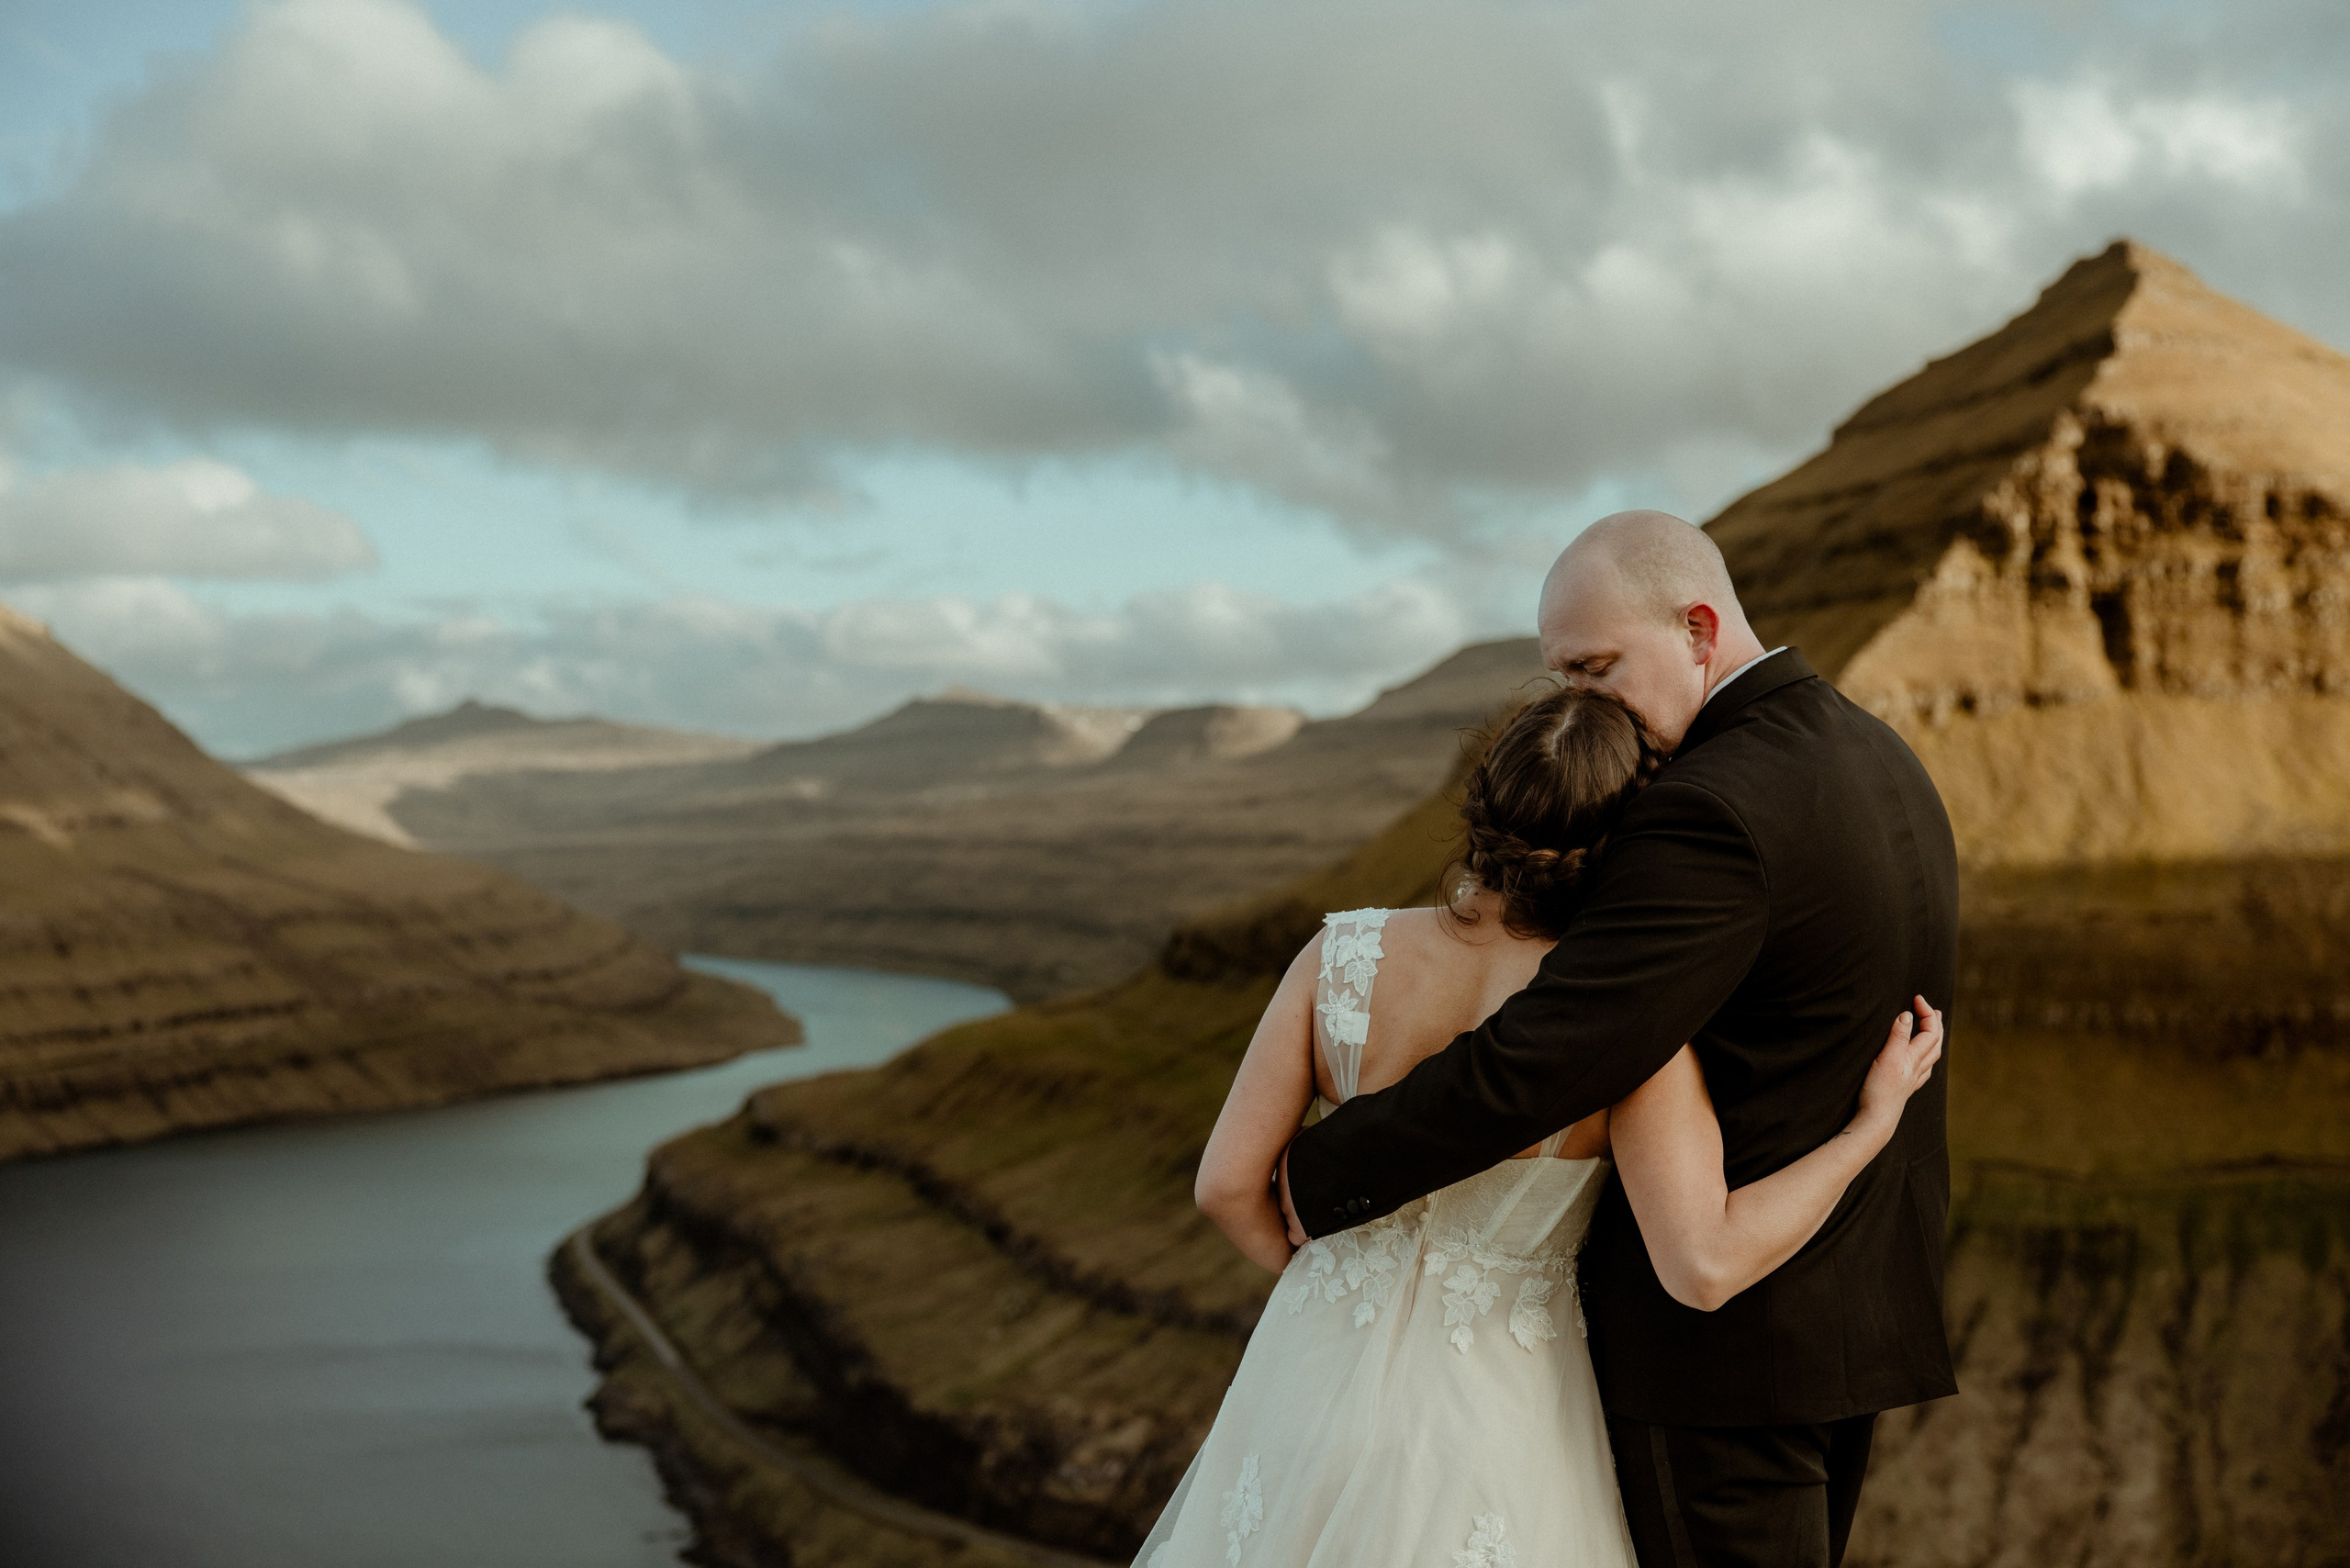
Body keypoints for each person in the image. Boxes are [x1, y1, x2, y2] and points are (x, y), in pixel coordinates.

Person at [1132, 670, 1946, 1565]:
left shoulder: (1342, 954)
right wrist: (1869, 1128)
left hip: (1306, 1383)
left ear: (1483, 801)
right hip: (1493, 1421)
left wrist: (1343, 1285)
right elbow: (1705, 1263)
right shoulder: (1629, 1030)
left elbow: (1223, 1187)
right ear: (1629, 840)